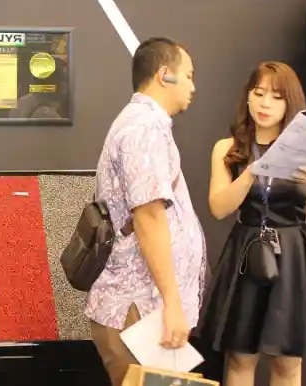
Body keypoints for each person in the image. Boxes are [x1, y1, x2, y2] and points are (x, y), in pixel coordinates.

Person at [194, 61, 306, 386]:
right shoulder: (228, 148)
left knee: (288, 361)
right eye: (259, 93)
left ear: (290, 103)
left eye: (276, 97)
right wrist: (252, 171)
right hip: (247, 251)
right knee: (240, 356)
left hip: (295, 254)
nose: (265, 104)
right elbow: (219, 208)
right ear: (247, 96)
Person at [86, 37, 207, 385]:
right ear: (164, 75)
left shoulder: (145, 124)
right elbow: (149, 217)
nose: (193, 87)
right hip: (140, 309)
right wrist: (172, 304)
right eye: (188, 76)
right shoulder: (144, 129)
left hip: (145, 309)